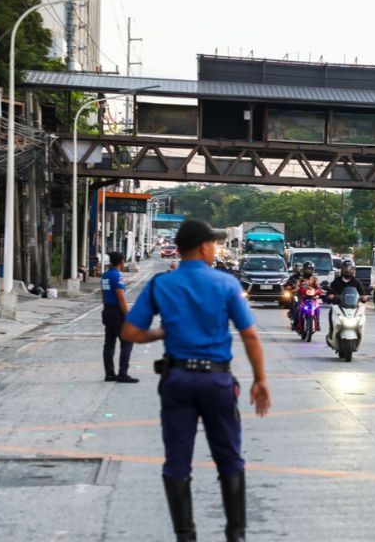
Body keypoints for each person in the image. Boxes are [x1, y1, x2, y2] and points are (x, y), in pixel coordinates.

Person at [121, 219, 271, 542]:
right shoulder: (226, 284)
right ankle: (236, 535)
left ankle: (185, 537)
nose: (215, 248)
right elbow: (250, 336)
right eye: (213, 244)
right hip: (217, 382)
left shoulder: (162, 284)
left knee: (177, 461)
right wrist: (260, 380)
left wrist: (161, 332)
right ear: (203, 247)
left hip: (177, 380)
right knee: (229, 458)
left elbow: (130, 332)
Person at [101, 251, 138, 383]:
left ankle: (109, 374)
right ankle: (123, 373)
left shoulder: (105, 275)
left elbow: (103, 295)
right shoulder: (116, 276)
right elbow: (121, 297)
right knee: (127, 342)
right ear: (122, 261)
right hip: (117, 313)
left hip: (107, 311)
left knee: (109, 344)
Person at [325, 259, 368, 339]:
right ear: (342, 269)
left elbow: (363, 293)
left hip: (353, 307)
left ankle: (359, 333)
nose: (347, 270)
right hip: (338, 306)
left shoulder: (356, 282)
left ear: (353, 270)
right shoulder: (336, 281)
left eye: (349, 268)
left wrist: (364, 297)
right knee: (331, 313)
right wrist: (330, 295)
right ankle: (331, 332)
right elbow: (329, 292)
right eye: (345, 268)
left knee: (361, 316)